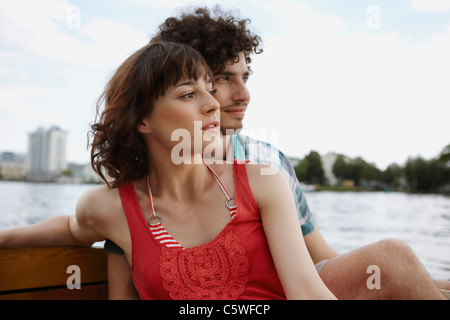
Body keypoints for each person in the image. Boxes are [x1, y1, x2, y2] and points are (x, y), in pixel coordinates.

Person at [105, 7, 449, 300]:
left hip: (296, 289)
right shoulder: (141, 183)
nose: (244, 94)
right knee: (393, 261)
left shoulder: (266, 160)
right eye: (224, 78)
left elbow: (322, 261)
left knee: (405, 270)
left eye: (246, 76)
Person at [0, 41, 336, 300]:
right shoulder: (110, 208)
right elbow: (73, 230)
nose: (213, 103)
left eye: (209, 88)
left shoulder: (263, 183)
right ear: (143, 119)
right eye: (189, 93)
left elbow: (307, 292)